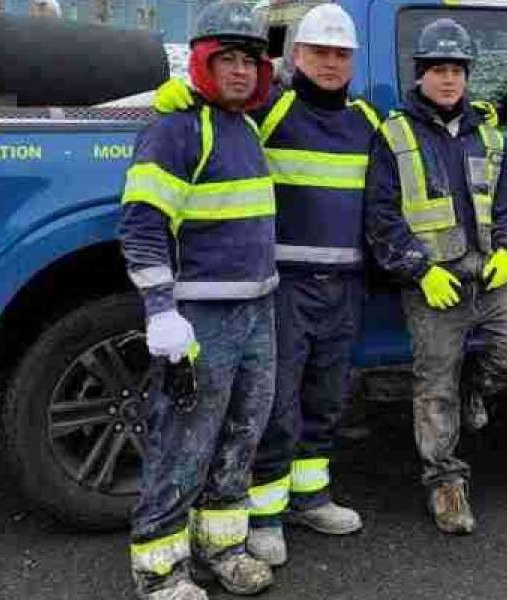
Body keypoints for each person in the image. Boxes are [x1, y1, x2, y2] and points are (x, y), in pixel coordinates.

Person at [153, 2, 380, 567]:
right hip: (282, 287)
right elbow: (220, 115)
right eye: (319, 52)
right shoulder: (270, 112)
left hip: (344, 287)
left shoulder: (367, 123)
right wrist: (182, 99)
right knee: (275, 407)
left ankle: (311, 498)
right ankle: (266, 514)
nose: (330, 64)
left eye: (340, 55)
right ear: (295, 56)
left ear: (353, 61)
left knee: (326, 400)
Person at [118, 2, 277, 598]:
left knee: (242, 433)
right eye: (227, 60)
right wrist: (161, 309)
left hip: (258, 310)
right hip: (202, 317)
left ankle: (223, 546)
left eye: (249, 62)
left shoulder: (245, 125)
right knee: (184, 442)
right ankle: (159, 569)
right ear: (202, 63)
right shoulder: (175, 128)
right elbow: (141, 225)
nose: (240, 72)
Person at [364, 17, 507, 535]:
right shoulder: (394, 135)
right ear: (420, 74)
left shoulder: (485, 135)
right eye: (437, 69)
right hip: (433, 285)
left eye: (456, 70)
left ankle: (475, 389)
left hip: (489, 277)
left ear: (468, 76)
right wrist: (419, 271)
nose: (447, 79)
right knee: (433, 386)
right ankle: (444, 481)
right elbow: (381, 217)